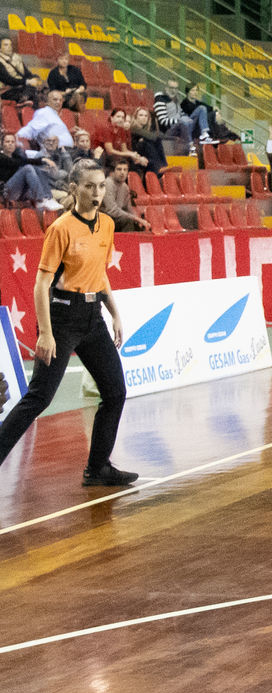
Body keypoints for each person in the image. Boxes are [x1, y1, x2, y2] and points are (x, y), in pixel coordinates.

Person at [0, 159, 138, 488]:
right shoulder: (60, 229)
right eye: (89, 186)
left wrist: (115, 313)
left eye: (101, 186)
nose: (97, 192)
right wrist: (45, 333)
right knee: (39, 398)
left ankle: (98, 468)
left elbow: (99, 272)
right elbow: (40, 285)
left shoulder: (106, 224)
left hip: (93, 318)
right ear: (74, 189)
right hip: (61, 318)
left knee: (115, 392)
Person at [0, 132, 62, 211]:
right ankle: (40, 199)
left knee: (36, 168)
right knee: (28, 168)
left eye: (12, 142)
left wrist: (43, 160)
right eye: (7, 142)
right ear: (2, 144)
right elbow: (18, 162)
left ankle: (48, 198)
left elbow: (25, 160)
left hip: (19, 192)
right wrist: (41, 160)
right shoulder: (1, 157)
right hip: (6, 193)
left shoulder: (15, 156)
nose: (10, 144)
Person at [100, 160, 148, 232]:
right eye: (119, 169)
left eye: (125, 170)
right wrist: (136, 218)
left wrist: (138, 220)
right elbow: (112, 210)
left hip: (117, 218)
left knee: (138, 225)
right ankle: (126, 242)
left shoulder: (125, 187)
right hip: (104, 218)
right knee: (128, 221)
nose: (122, 172)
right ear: (113, 172)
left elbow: (128, 208)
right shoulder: (107, 184)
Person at [0, 36, 45, 103]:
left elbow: (27, 74)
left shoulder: (16, 57)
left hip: (21, 87)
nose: (9, 47)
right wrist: (27, 82)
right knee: (32, 90)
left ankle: (26, 99)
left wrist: (35, 79)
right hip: (7, 91)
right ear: (0, 48)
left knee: (39, 84)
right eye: (6, 45)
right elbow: (8, 80)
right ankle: (25, 100)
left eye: (10, 45)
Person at [154, 79, 196, 148]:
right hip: (167, 131)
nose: (173, 91)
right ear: (166, 88)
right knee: (183, 122)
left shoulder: (176, 99)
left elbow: (182, 114)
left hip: (179, 126)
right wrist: (180, 121)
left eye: (176, 88)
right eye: (171, 88)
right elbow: (163, 121)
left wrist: (188, 119)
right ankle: (190, 146)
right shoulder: (160, 99)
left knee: (201, 110)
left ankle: (205, 137)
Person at [129, 107, 167, 176]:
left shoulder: (147, 132)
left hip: (148, 157)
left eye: (146, 116)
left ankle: (164, 165)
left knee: (156, 141)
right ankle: (159, 168)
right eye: (141, 115)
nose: (144, 117)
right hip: (135, 155)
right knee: (148, 142)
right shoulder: (133, 129)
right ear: (135, 117)